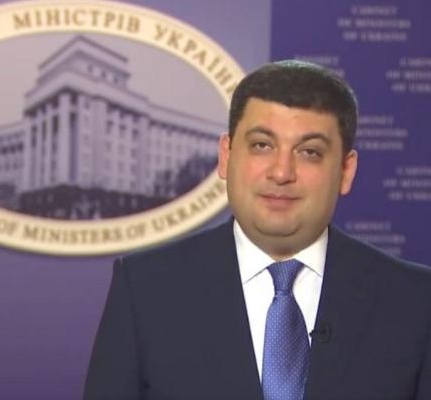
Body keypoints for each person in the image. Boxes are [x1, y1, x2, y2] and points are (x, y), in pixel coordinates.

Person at [83, 60, 431, 400]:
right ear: (226, 155)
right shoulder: (145, 288)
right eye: (262, 145)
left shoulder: (415, 300)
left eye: (309, 152)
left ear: (345, 171)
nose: (281, 172)